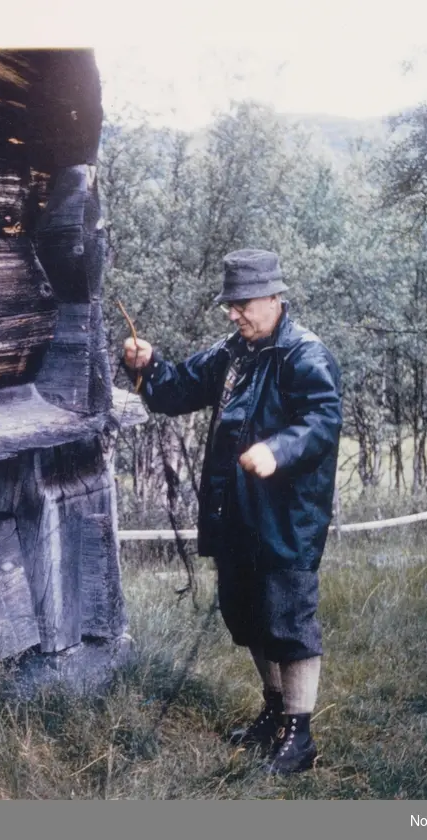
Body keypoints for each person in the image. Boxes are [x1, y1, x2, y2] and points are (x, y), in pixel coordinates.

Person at [122, 248, 342, 775]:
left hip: (287, 516)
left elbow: (322, 420)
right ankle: (273, 711)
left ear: (273, 296)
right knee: (245, 615)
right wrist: (148, 364)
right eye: (230, 305)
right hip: (234, 513)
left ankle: (299, 735)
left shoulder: (305, 355)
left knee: (288, 619)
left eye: (242, 303)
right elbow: (177, 390)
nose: (234, 313)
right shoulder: (232, 353)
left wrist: (278, 450)